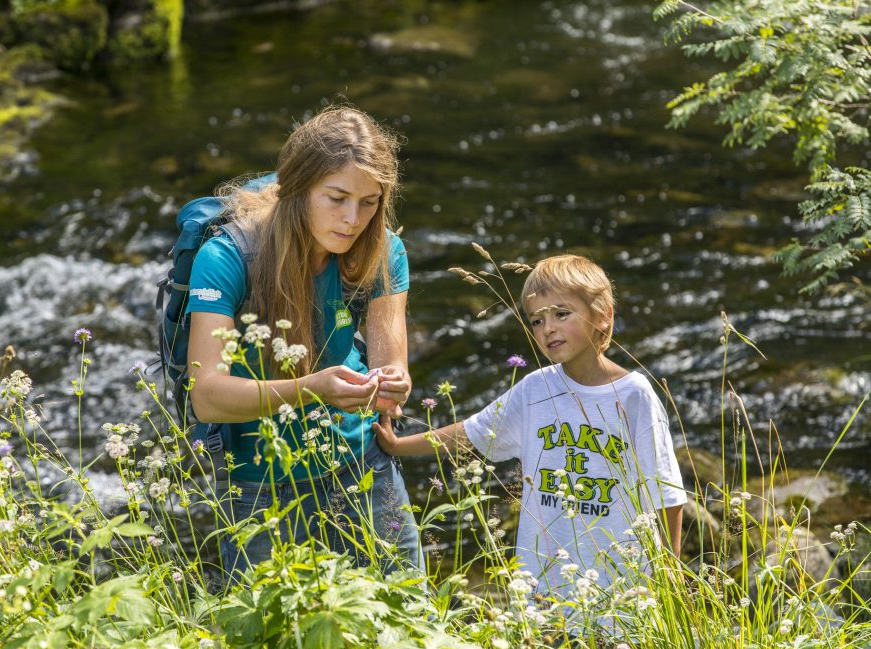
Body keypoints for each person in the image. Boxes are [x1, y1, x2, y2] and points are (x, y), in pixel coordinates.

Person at [185, 106, 421, 578]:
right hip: (259, 479)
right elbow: (207, 396)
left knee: (407, 614)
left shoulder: (383, 250)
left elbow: (393, 367)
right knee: (272, 643)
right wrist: (312, 389)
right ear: (299, 188)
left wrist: (394, 386)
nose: (353, 219)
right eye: (336, 198)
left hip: (362, 463)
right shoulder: (226, 257)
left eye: (370, 202)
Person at [375, 254, 686, 604]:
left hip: (620, 583)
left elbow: (666, 493)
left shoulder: (634, 395)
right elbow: (471, 432)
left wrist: (669, 573)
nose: (547, 328)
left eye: (561, 314)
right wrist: (399, 445)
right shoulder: (534, 389)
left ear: (603, 315)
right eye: (536, 321)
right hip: (544, 583)